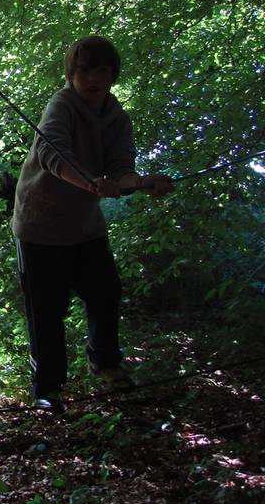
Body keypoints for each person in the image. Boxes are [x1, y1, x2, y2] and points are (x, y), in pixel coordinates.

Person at [11, 35, 174, 414]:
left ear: (112, 75)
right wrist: (89, 182)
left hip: (84, 227)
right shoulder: (61, 106)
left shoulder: (117, 117)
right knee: (46, 311)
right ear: (72, 73)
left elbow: (120, 167)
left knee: (106, 293)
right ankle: (47, 388)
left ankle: (106, 363)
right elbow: (52, 152)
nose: (93, 77)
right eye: (84, 70)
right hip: (39, 227)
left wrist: (142, 182)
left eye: (101, 69)